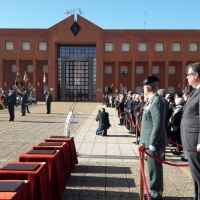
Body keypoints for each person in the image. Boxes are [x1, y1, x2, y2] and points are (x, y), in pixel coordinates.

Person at [139, 76, 168, 200]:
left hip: (153, 141)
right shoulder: (151, 100)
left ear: (147, 88)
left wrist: (153, 142)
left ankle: (156, 194)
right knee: (151, 169)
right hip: (147, 140)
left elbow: (158, 123)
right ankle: (153, 191)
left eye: (144, 88)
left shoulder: (156, 101)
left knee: (155, 170)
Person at [180, 62, 200, 200]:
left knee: (198, 176)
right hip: (190, 140)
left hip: (195, 142)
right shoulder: (195, 91)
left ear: (196, 75)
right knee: (196, 176)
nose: (187, 77)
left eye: (189, 74)